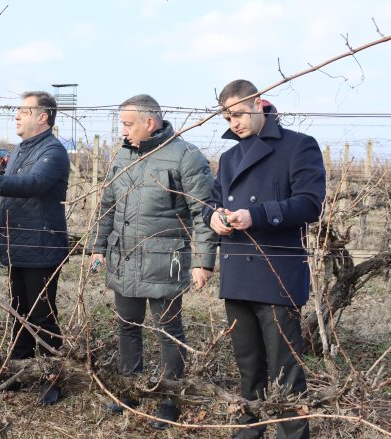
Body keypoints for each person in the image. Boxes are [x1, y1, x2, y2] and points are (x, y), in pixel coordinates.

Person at [203, 80, 325, 439]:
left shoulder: (298, 146)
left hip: (277, 274)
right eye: (227, 116)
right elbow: (213, 199)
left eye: (238, 113)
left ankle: (291, 434)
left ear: (259, 104)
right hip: (238, 272)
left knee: (285, 368)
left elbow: (310, 204)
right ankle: (249, 430)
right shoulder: (228, 158)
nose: (233, 122)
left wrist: (257, 215)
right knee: (248, 365)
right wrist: (213, 216)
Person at [89, 94, 218, 428]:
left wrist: (204, 262)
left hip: (165, 260)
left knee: (167, 331)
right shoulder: (123, 155)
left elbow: (202, 213)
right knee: (127, 326)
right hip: (124, 257)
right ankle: (130, 388)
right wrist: (98, 246)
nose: (124, 130)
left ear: (150, 122)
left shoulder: (185, 157)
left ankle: (169, 396)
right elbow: (108, 205)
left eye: (129, 124)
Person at [0, 91, 70, 405]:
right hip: (19, 242)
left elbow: (34, 184)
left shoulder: (54, 151)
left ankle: (54, 377)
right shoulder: (22, 149)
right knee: (20, 311)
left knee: (42, 313)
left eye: (23, 110)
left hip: (42, 244)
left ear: (43, 116)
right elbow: (12, 200)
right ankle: (17, 372)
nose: (17, 115)